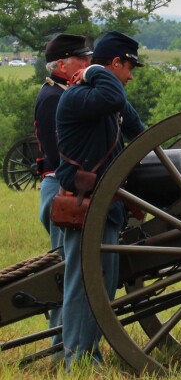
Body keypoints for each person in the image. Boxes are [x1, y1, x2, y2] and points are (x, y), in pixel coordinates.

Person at [55, 31, 146, 368]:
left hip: (107, 208)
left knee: (103, 287)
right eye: (128, 68)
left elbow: (137, 128)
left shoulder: (107, 99)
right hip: (85, 205)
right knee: (83, 287)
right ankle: (77, 360)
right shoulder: (79, 97)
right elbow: (112, 96)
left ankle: (89, 355)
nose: (131, 76)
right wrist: (95, 71)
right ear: (115, 64)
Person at [32, 33, 92, 351]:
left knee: (65, 267)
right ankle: (59, 345)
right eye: (81, 59)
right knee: (64, 272)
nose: (87, 63)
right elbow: (64, 157)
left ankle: (63, 340)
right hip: (61, 190)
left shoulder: (64, 93)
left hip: (62, 187)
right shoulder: (54, 98)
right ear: (62, 64)